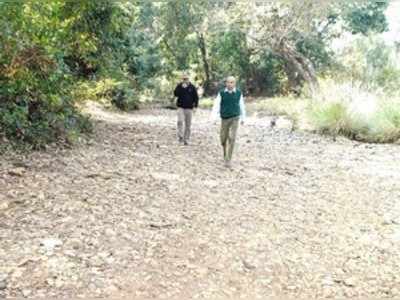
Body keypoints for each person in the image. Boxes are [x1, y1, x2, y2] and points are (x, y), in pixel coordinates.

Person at [211, 76, 246, 168]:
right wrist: (214, 118)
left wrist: (243, 118)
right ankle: (225, 153)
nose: (230, 84)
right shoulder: (222, 93)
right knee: (223, 139)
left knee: (232, 137)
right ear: (226, 83)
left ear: (235, 83)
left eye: (232, 82)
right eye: (228, 82)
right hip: (224, 118)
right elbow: (216, 106)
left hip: (235, 117)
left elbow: (241, 105)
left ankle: (228, 159)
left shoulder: (238, 93)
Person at [174, 72, 199, 145]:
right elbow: (175, 94)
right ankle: (180, 137)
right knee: (180, 121)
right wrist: (181, 87)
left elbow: (196, 98)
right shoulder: (179, 86)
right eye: (184, 79)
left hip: (189, 108)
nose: (185, 80)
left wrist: (195, 107)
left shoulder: (192, 87)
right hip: (180, 107)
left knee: (188, 125)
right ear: (182, 79)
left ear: (189, 79)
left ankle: (186, 139)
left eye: (186, 79)